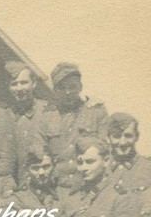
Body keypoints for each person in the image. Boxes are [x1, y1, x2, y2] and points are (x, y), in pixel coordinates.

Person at [43, 62, 108, 191]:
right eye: (62, 88)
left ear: (80, 86)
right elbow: (42, 154)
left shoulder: (96, 113)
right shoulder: (47, 117)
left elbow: (105, 151)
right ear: (55, 90)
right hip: (59, 189)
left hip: (90, 187)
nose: (68, 92)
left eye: (73, 87)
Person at [4, 60, 51, 182]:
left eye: (24, 82)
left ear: (33, 83)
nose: (19, 88)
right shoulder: (4, 116)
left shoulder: (48, 111)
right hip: (16, 185)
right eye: (14, 84)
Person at [104, 113, 151, 195]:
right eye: (117, 136)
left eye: (128, 136)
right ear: (108, 138)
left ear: (137, 137)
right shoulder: (101, 168)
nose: (122, 143)